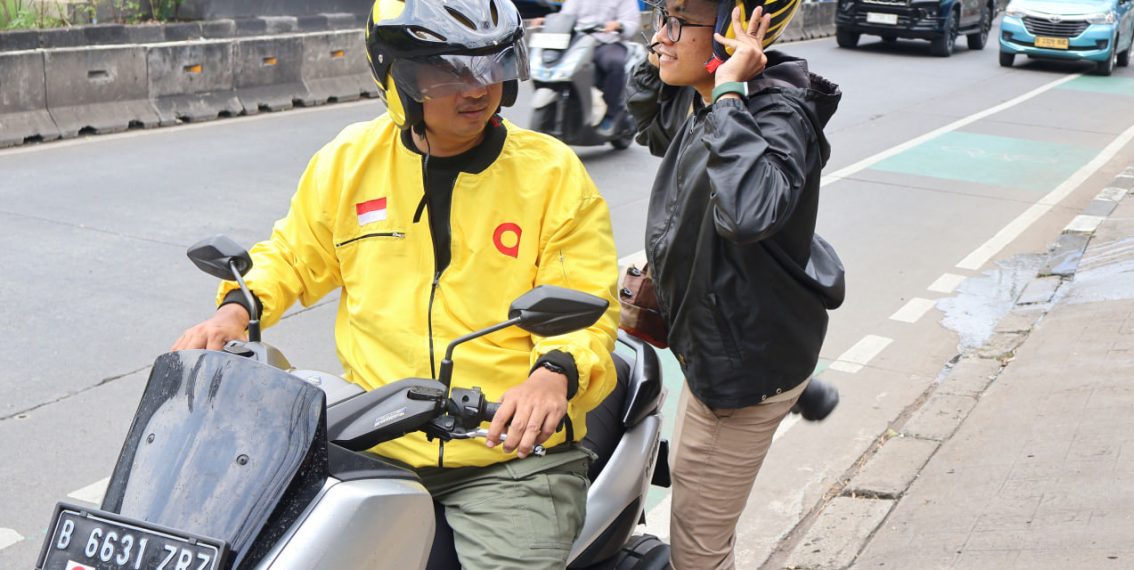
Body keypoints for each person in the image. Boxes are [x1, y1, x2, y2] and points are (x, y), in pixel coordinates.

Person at [171, 0, 620, 567]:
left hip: (505, 453)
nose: (476, 88)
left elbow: (587, 299)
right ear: (395, 77)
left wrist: (553, 375)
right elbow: (291, 254)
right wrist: (233, 312)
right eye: (448, 72)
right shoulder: (349, 161)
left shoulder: (551, 174)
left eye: (489, 67)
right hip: (370, 440)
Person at [626, 0, 844, 567]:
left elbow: (749, 212)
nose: (662, 36)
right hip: (730, 321)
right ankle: (797, 386)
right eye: (660, 18)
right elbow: (649, 123)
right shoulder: (704, 100)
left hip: (734, 377)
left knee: (698, 550)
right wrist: (664, 56)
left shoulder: (773, 114)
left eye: (679, 22)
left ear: (731, 28)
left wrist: (728, 91)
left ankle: (781, 391)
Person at [533, 0, 642, 135]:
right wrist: (548, 20)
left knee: (614, 64)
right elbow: (566, 15)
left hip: (607, 42)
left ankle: (610, 115)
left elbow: (631, 23)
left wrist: (618, 25)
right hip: (579, 41)